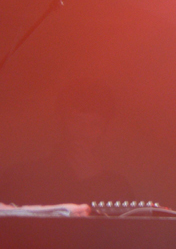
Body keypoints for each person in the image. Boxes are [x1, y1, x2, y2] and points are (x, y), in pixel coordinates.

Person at [0, 78, 134, 206]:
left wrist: (95, 181)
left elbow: (118, 220)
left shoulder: (118, 187)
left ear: (104, 129)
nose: (84, 131)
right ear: (61, 121)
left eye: (95, 124)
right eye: (77, 121)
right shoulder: (21, 177)